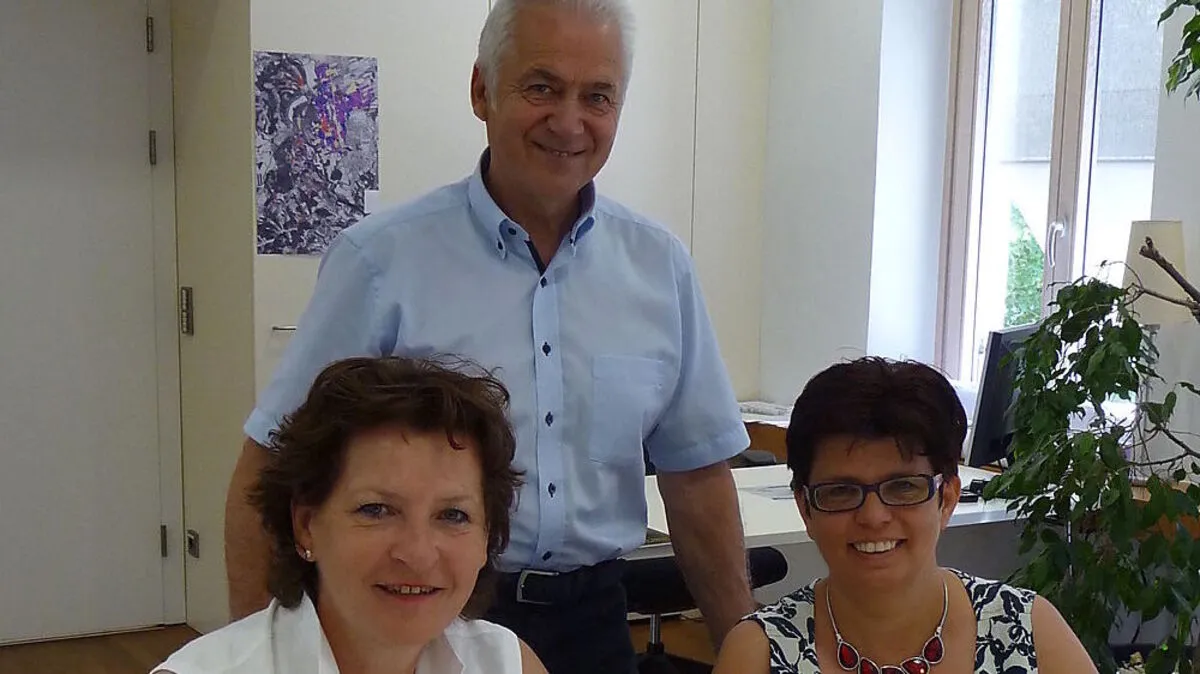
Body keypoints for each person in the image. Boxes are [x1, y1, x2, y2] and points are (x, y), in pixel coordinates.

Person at [225, 1, 755, 672]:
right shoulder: (381, 262)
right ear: (482, 90)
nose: (569, 122)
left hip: (597, 621)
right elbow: (271, 468)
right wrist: (254, 653)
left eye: (597, 97)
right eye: (542, 87)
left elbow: (698, 477)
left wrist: (743, 645)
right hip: (426, 613)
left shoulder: (660, 267)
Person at [156, 356, 544, 673]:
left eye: (454, 516)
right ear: (306, 526)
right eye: (376, 510)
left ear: (486, 537)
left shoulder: (507, 664)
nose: (418, 553)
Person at [713, 357, 1097, 674]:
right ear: (805, 508)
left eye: (903, 487)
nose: (873, 516)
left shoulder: (1028, 631)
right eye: (841, 491)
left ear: (947, 499)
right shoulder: (758, 654)